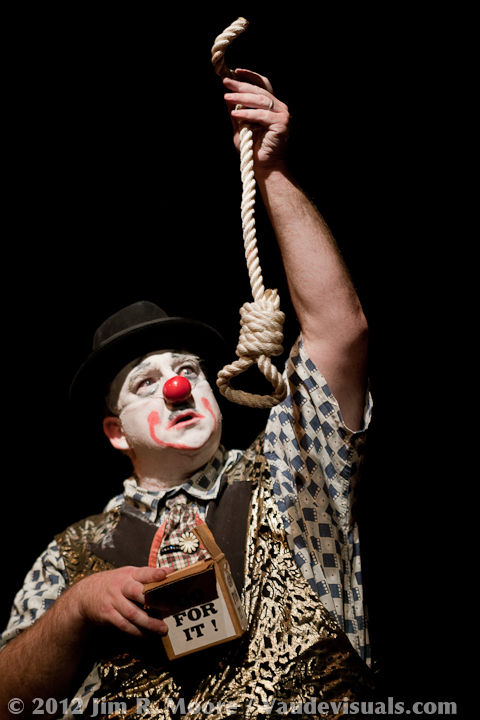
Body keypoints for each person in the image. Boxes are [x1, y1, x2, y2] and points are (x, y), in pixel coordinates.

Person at [0, 69, 373, 717]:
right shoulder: (69, 554)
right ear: (115, 432)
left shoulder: (289, 475)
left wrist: (271, 173)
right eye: (146, 383)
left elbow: (340, 334)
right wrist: (75, 610)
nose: (176, 385)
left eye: (187, 369)